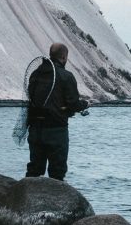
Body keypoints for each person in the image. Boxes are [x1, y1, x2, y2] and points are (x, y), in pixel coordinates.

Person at [25, 43, 88, 180]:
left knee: (34, 170)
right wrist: (84, 104)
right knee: (57, 173)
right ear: (64, 57)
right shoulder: (66, 76)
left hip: (35, 130)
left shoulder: (35, 74)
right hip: (56, 131)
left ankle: (25, 192)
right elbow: (73, 104)